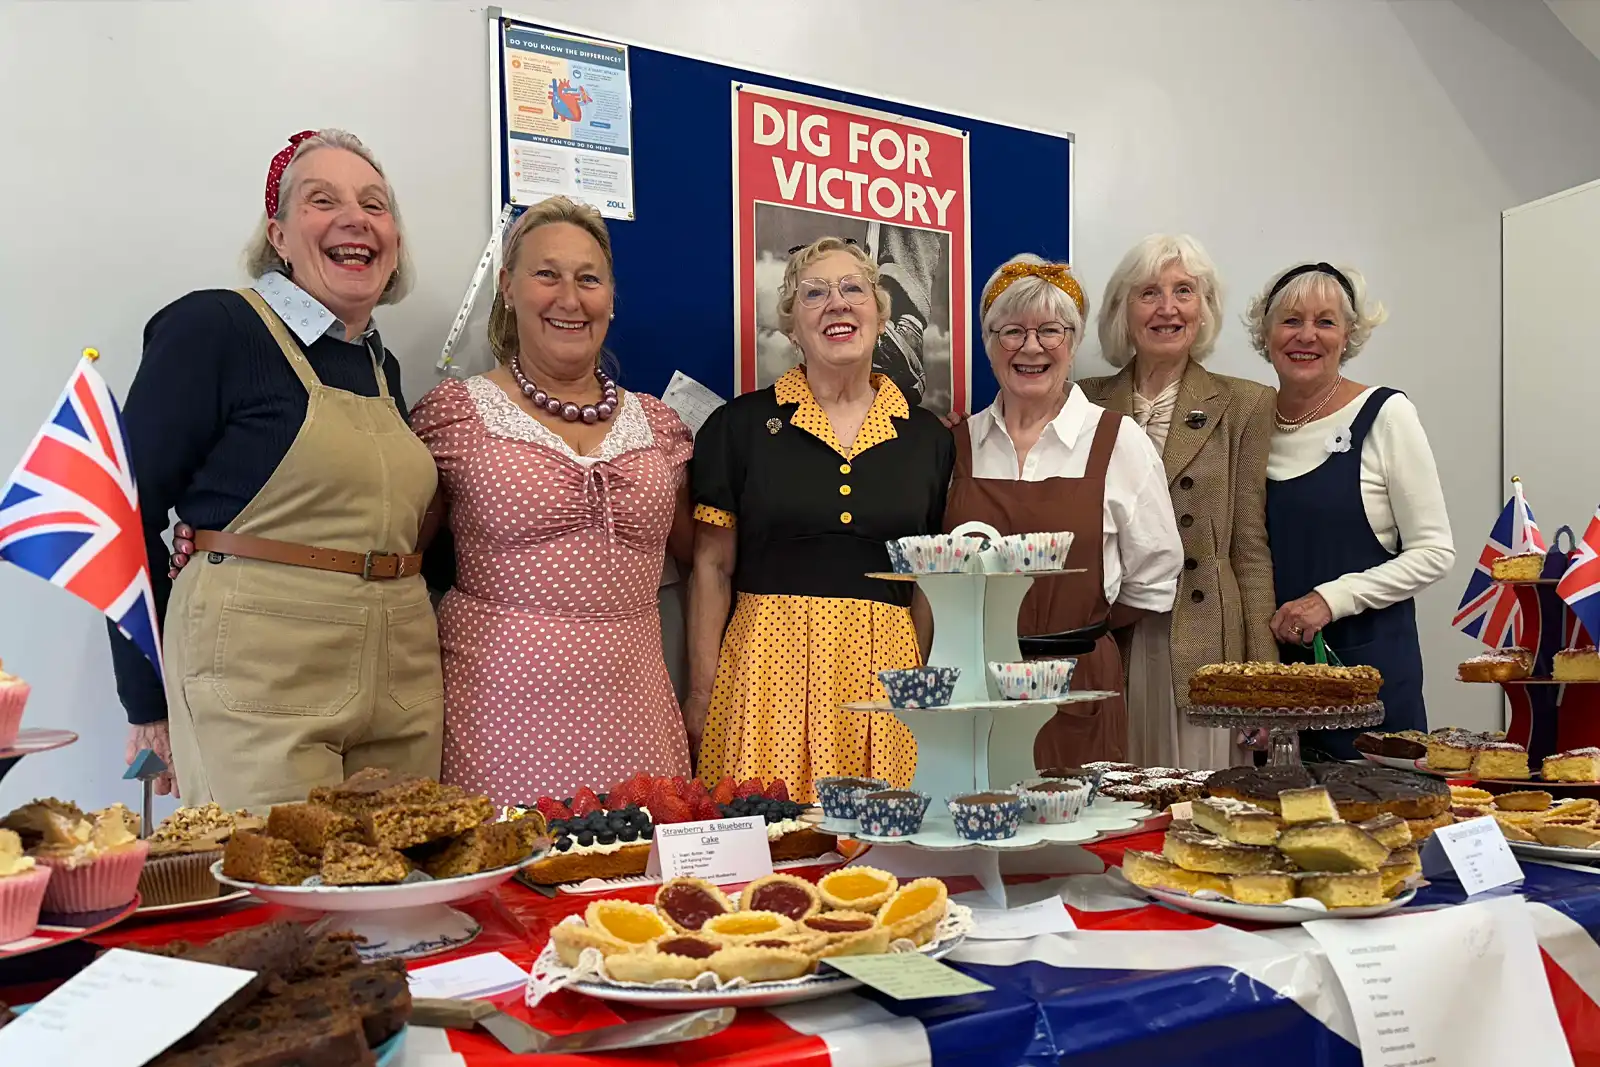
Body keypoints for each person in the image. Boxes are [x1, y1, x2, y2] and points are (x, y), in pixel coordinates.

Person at [113, 129, 443, 809]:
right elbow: (123, 513)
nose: (355, 218)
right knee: (271, 868)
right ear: (279, 236)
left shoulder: (382, 368)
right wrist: (147, 701)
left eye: (375, 205)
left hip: (401, 681)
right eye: (323, 200)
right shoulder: (217, 328)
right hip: (259, 685)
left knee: (399, 869)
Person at [410, 196, 694, 805]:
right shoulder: (455, 414)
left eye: (588, 279)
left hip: (635, 713)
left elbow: (707, 561)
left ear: (610, 299)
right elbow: (402, 566)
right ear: (507, 288)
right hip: (495, 715)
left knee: (637, 863)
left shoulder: (659, 427)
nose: (570, 298)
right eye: (547, 274)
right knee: (508, 865)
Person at [687, 237, 954, 801]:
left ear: (881, 314)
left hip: (885, 680)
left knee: (878, 845)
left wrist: (918, 690)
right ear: (791, 326)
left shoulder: (929, 439)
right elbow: (711, 568)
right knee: (769, 843)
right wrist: (702, 694)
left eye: (854, 288)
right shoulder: (738, 427)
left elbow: (928, 581)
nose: (837, 303)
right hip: (763, 677)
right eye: (814, 293)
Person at [945, 255, 1183, 767]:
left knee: (1077, 817)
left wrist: (1074, 631)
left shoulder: (1118, 441)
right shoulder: (956, 444)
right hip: (973, 685)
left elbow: (1154, 577)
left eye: (1051, 331)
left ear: (1073, 345)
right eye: (1012, 332)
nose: (1031, 347)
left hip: (1078, 686)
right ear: (988, 345)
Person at [1080, 235, 1277, 769]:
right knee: (1117, 787)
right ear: (1123, 311)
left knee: (1200, 800)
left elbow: (1249, 550)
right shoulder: (1084, 400)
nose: (1167, 308)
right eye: (1149, 293)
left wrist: (1263, 681)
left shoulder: (1246, 403)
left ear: (1204, 308)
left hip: (1205, 636)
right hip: (1114, 631)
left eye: (1184, 291)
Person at [1248, 262, 1454, 758]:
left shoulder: (1385, 415)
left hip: (1368, 682)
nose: (1306, 336)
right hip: (1274, 686)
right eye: (1291, 320)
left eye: (1325, 322)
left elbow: (1434, 552)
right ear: (1266, 334)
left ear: (1348, 336)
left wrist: (1331, 599)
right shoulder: (1249, 423)